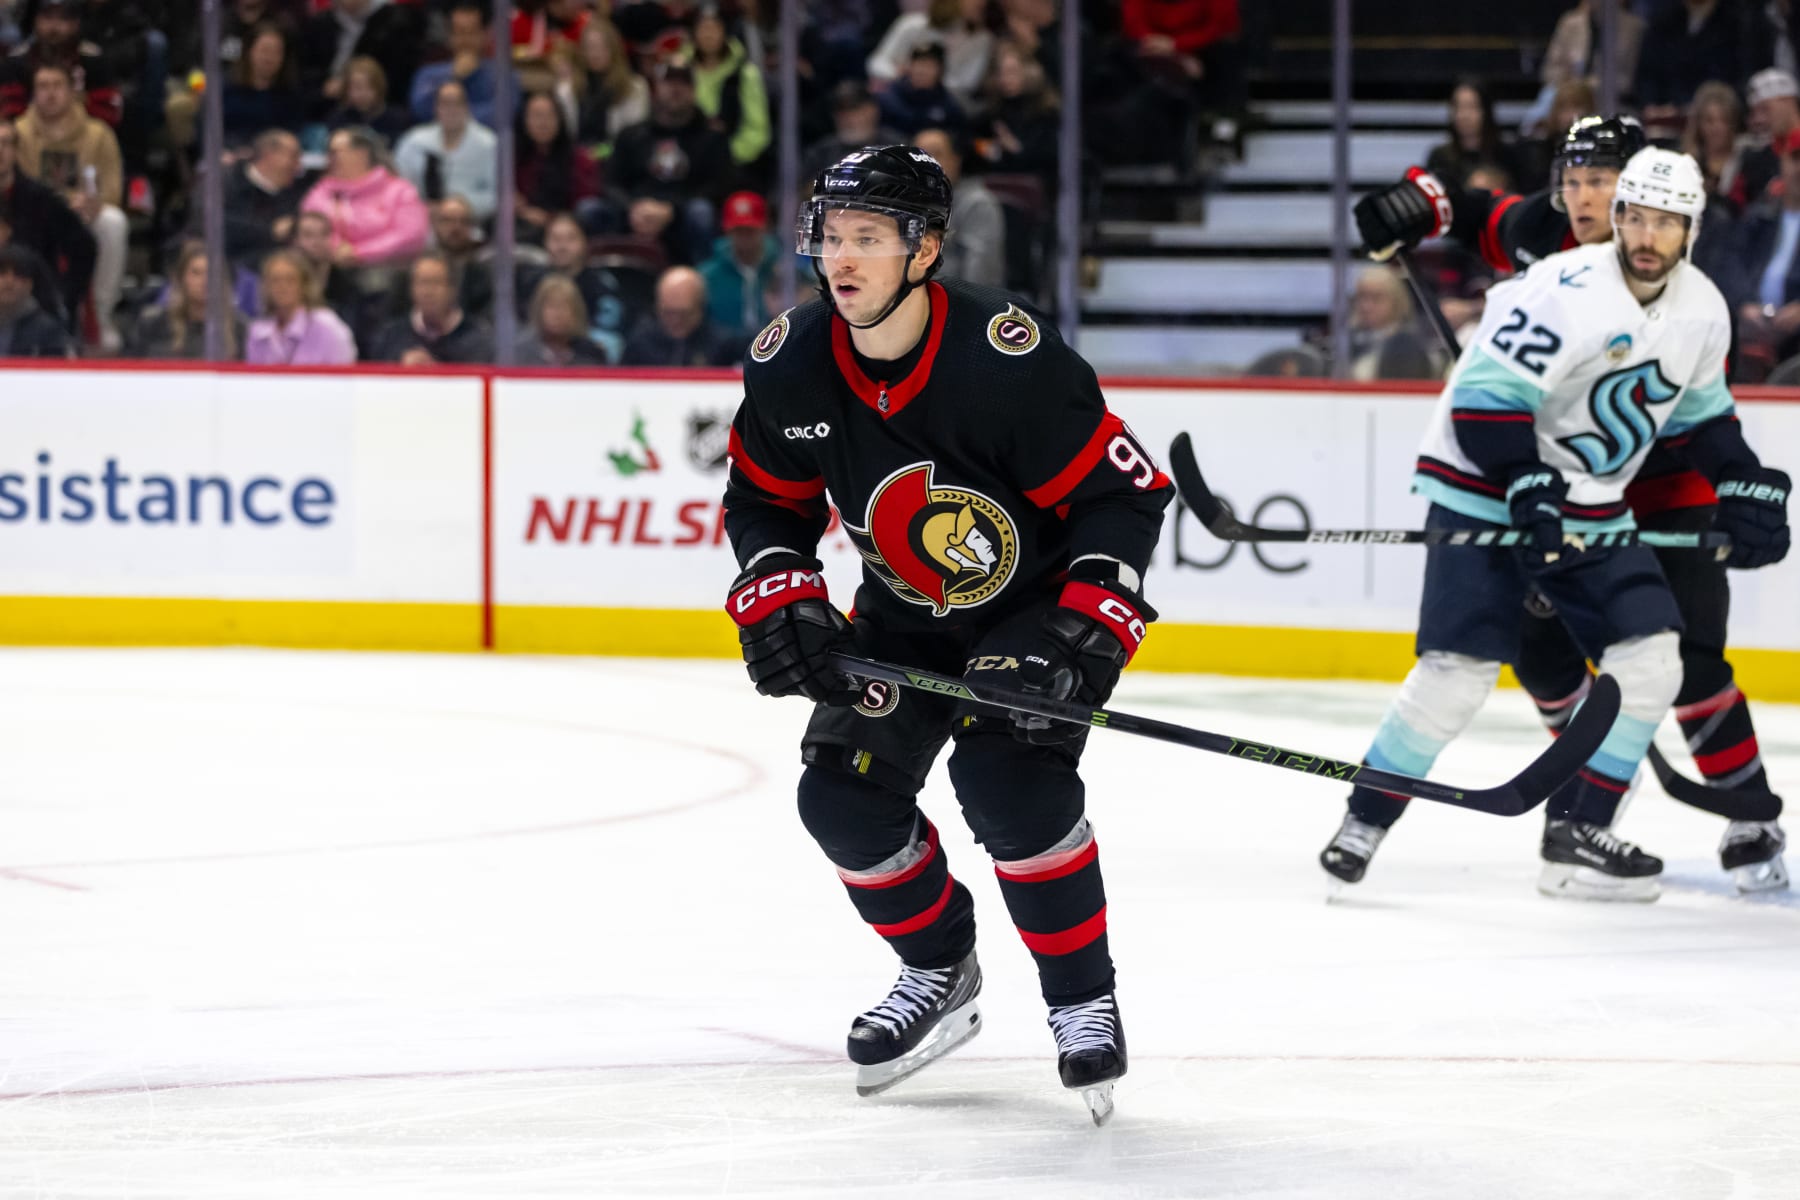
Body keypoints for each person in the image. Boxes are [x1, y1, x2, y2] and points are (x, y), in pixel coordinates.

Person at [720, 145, 1171, 1120]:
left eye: (869, 240)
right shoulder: (792, 363)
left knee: (1007, 784)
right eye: (832, 238)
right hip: (902, 616)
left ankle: (1082, 1000)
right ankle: (938, 969)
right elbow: (763, 501)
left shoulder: (1005, 361)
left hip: (1034, 615)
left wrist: (1083, 629)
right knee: (839, 798)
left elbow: (1124, 500)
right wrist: (782, 585)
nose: (841, 261)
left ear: (924, 249)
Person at [1321, 148, 1791, 903]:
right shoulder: (1564, 288)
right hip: (1482, 489)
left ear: (1690, 229)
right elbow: (1482, 406)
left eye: (1665, 221)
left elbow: (1704, 417)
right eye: (1633, 215)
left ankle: (1580, 826)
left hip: (1589, 502)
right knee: (1455, 677)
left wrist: (1744, 482)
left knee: (1654, 658)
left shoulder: (1702, 307)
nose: (1645, 234)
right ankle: (1364, 822)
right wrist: (1527, 483)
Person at [13, 61, 125, 349]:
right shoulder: (19, 134)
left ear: (73, 91)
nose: (50, 94)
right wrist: (61, 204)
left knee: (114, 222)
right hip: (39, 215)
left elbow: (113, 188)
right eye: (43, 87)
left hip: (88, 213)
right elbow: (20, 185)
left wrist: (96, 203)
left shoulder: (99, 134)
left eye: (57, 86)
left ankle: (102, 314)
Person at [610, 61, 734, 265]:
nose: (676, 89)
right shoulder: (630, 135)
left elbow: (720, 187)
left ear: (694, 90)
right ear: (656, 89)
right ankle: (606, 278)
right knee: (591, 211)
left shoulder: (713, 138)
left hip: (685, 214)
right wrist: (632, 207)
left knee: (701, 211)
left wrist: (672, 210)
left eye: (683, 83)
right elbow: (611, 183)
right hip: (636, 212)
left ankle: (703, 280)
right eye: (669, 83)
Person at [0, 114, 94, 329]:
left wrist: (66, 296)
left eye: (5, 143)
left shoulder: (42, 200)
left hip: (34, 306)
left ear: (16, 151)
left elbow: (84, 248)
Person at [300, 126, 430, 272]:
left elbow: (411, 236)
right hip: (329, 269)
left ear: (361, 153)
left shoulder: (399, 191)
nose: (330, 158)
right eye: (329, 152)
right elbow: (308, 229)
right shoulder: (321, 193)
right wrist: (336, 249)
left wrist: (359, 252)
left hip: (388, 273)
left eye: (336, 152)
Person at [526, 209, 638, 362]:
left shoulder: (601, 285)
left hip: (585, 351)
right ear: (545, 243)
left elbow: (609, 326)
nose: (562, 246)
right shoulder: (531, 283)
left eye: (570, 239)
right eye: (556, 239)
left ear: (585, 243)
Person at [395, 80, 499, 222]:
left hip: (472, 222)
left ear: (467, 107)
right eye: (445, 104)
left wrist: (465, 205)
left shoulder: (489, 144)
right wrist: (419, 206)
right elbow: (397, 186)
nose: (451, 110)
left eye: (457, 103)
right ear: (436, 108)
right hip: (421, 220)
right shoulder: (414, 141)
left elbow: (499, 194)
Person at [912, 127, 1002, 287]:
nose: (926, 164)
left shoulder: (977, 204)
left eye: (936, 154)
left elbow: (979, 279)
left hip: (956, 303)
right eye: (919, 157)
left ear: (955, 160)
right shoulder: (901, 205)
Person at [685, 6, 771, 173]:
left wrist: (729, 155)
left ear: (725, 32)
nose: (708, 34)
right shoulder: (681, 71)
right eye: (703, 28)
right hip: (687, 162)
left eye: (714, 28)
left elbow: (757, 129)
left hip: (732, 163)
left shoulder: (746, 74)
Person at [370, 250, 493, 364]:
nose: (427, 292)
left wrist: (435, 373)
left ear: (453, 289)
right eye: (422, 282)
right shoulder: (391, 336)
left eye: (436, 282)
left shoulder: (478, 339)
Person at [866, 0, 993, 107]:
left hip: (943, 103)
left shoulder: (981, 39)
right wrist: (904, 74)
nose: (981, 3)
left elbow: (966, 83)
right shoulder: (911, 25)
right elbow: (876, 63)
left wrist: (931, 79)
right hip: (902, 96)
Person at [552, 15, 648, 156]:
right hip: (576, 163)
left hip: (618, 159)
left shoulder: (636, 88)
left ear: (614, 50)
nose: (595, 54)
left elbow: (636, 137)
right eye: (590, 48)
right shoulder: (565, 89)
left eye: (602, 47)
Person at [514, 90, 602, 243]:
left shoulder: (580, 159)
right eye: (536, 116)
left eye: (549, 116)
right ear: (524, 120)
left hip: (566, 227)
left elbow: (585, 206)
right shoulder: (514, 158)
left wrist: (549, 218)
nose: (543, 123)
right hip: (523, 226)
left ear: (560, 120)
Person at [126, 241, 240, 360]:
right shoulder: (153, 325)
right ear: (181, 279)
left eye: (211, 273)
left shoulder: (241, 330)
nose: (205, 281)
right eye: (196, 273)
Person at [245, 248, 358, 365]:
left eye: (290, 280)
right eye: (275, 280)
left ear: (304, 285)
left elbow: (345, 371)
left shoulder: (328, 326)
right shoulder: (258, 332)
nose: (282, 287)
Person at [698, 189, 783, 338]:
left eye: (750, 230)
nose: (744, 237)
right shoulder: (706, 276)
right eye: (738, 230)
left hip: (774, 347)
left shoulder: (783, 269)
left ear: (765, 228)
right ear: (726, 230)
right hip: (722, 353)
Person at [221, 128, 308, 272]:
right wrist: (269, 232)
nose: (298, 166)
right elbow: (213, 224)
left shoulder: (296, 194)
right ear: (270, 155)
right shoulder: (226, 183)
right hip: (231, 271)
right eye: (294, 157)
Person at [409, 1, 506, 128]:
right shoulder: (427, 74)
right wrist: (452, 76)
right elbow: (420, 110)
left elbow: (500, 115)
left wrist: (450, 114)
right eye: (459, 32)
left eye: (472, 32)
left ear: (485, 35)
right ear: (449, 36)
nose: (465, 40)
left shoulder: (502, 75)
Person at [621, 264, 740, 366]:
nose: (675, 321)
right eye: (668, 313)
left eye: (683, 314)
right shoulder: (640, 345)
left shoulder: (722, 346)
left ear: (700, 308)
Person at [1425, 78, 1528, 193]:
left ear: (1486, 111)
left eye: (1472, 106)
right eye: (1458, 107)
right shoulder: (1440, 157)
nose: (1464, 115)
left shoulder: (1508, 155)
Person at [221, 23, 305, 148]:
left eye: (276, 52)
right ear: (249, 51)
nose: (269, 58)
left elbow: (294, 135)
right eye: (264, 50)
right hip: (231, 156)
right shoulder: (226, 90)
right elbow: (210, 132)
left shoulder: (291, 95)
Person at [514, 271, 608, 365]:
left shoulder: (592, 356)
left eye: (564, 307)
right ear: (539, 310)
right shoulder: (517, 355)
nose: (557, 314)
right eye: (552, 306)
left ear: (576, 312)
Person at [877, 42, 965, 138]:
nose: (922, 71)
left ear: (940, 70)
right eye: (919, 64)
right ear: (909, 66)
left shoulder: (948, 106)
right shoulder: (887, 95)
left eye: (929, 66)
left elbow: (958, 136)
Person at [322, 54, 411, 146]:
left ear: (379, 86)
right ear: (346, 90)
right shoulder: (338, 119)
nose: (361, 94)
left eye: (368, 87)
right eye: (355, 88)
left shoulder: (399, 119)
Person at [0, 241, 70, 356]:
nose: (9, 281)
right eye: (2, 272)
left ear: (30, 284)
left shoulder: (48, 329)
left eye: (19, 274)